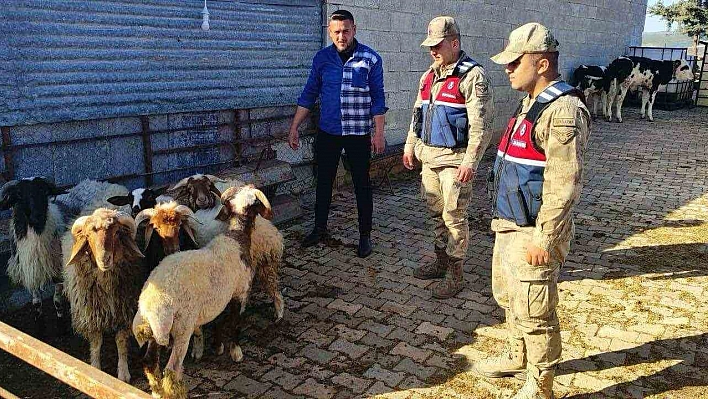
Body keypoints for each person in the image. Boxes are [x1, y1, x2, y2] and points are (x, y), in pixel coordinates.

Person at [472, 23, 591, 399]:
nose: (507, 69)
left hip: (533, 232)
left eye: (514, 62)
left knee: (536, 311)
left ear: (541, 64)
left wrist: (545, 236)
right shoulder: (531, 102)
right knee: (510, 298)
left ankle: (541, 386)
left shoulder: (564, 110)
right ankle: (516, 357)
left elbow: (563, 182)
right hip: (509, 223)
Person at [402, 16, 494, 299]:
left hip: (455, 161)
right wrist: (409, 146)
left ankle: (456, 275)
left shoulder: (472, 76)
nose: (433, 51)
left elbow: (482, 125)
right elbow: (418, 115)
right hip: (429, 158)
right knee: (435, 214)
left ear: (454, 43)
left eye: (438, 45)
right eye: (430, 46)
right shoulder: (428, 76)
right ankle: (440, 262)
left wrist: (470, 161)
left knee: (454, 216)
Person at [288, 9, 386, 258]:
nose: (341, 36)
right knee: (323, 181)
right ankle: (320, 229)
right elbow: (309, 94)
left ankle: (365, 236)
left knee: (362, 184)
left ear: (354, 29)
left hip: (358, 132)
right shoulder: (322, 59)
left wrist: (378, 133)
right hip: (329, 131)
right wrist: (294, 127)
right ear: (330, 32)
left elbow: (378, 99)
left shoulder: (370, 59)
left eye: (345, 30)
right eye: (336, 32)